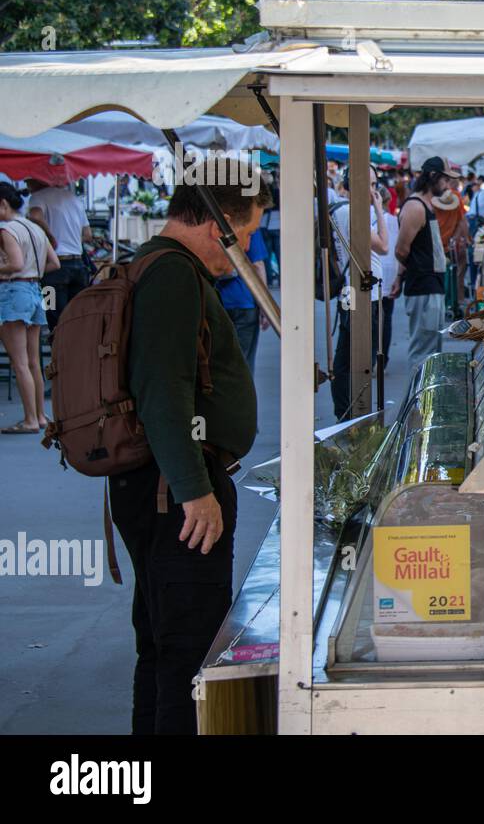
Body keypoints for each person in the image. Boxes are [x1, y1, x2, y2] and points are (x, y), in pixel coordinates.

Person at [109, 163, 269, 734]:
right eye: (246, 231)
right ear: (219, 222)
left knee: (162, 643)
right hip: (172, 491)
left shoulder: (155, 263)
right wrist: (195, 492)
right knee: (188, 652)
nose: (248, 246)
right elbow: (163, 392)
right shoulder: (174, 274)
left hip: (159, 487)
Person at [329, 165, 389, 422]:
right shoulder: (352, 212)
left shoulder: (343, 211)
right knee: (358, 360)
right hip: (364, 296)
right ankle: (353, 415)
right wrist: (379, 209)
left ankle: (347, 413)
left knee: (346, 358)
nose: (375, 191)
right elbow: (384, 246)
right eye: (372, 185)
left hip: (354, 292)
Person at [0, 183, 60, 433]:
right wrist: (31, 274)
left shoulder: (6, 229)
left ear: (3, 204)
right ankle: (40, 416)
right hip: (35, 291)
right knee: (34, 361)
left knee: (20, 362)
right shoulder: (35, 228)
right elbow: (54, 263)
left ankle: (30, 420)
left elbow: (15, 263)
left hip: (13, 292)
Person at [396, 159, 451, 361]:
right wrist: (404, 273)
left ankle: (425, 393)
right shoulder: (415, 207)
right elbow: (401, 249)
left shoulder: (425, 205)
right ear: (433, 176)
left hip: (431, 285)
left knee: (432, 352)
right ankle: (415, 394)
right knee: (423, 354)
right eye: (445, 179)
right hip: (423, 287)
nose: (447, 185)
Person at [25, 178, 91, 328]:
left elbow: (35, 216)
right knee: (77, 316)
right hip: (78, 265)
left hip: (52, 269)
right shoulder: (74, 199)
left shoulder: (37, 197)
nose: (26, 185)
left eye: (28, 181)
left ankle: (58, 349)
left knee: (53, 315)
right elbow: (87, 234)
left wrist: (50, 236)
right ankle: (76, 349)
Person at [215, 227, 270, 372]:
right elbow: (257, 265)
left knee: (218, 361)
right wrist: (265, 307)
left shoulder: (214, 226)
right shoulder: (249, 226)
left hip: (218, 299)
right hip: (244, 300)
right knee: (244, 362)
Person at [431, 164, 470, 314]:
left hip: (438, 243)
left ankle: (445, 303)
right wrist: (462, 239)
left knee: (446, 275)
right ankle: (455, 302)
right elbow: (462, 221)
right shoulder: (455, 198)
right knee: (456, 274)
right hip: (449, 244)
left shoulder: (436, 198)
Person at [375, 186, 401, 365]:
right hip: (391, 270)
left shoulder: (371, 220)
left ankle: (373, 357)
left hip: (375, 270)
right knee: (387, 318)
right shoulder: (394, 220)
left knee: (374, 318)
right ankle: (383, 359)